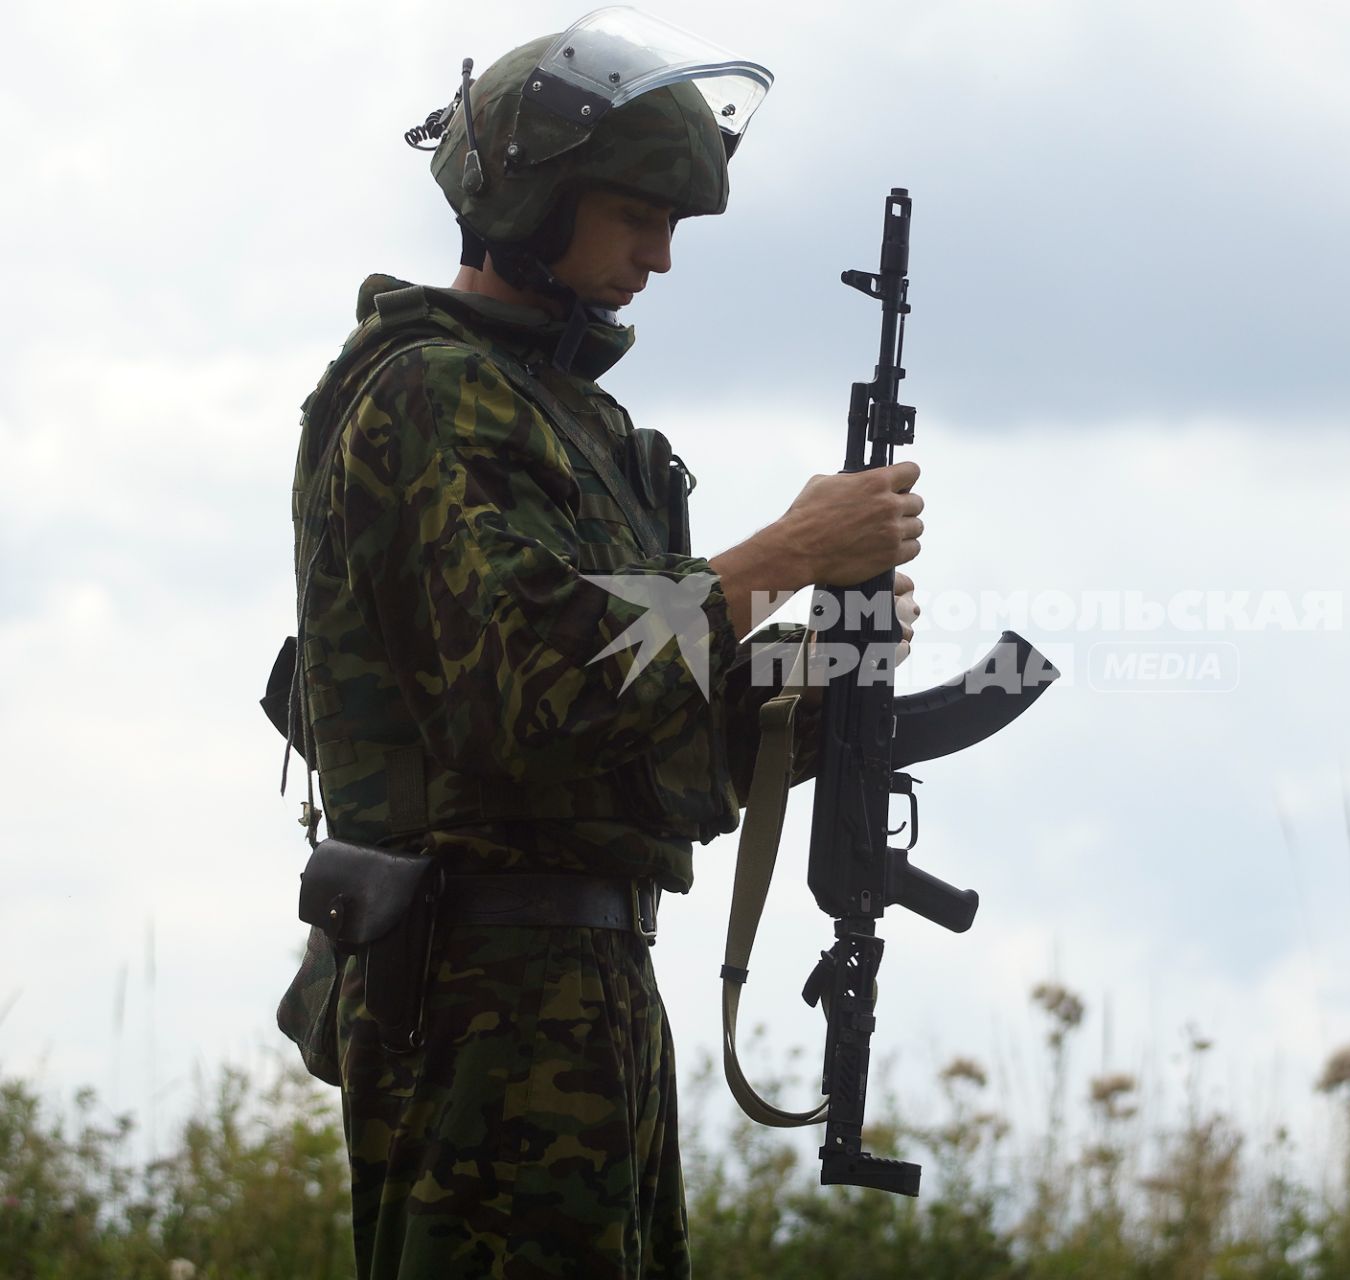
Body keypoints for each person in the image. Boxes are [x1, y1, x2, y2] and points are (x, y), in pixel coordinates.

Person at [279, 10, 922, 1277]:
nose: (661, 259)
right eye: (638, 218)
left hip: (583, 976)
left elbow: (642, 721)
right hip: (479, 986)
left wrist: (813, 653)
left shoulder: (579, 427)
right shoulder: (428, 392)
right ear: (532, 199)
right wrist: (779, 554)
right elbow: (535, 687)